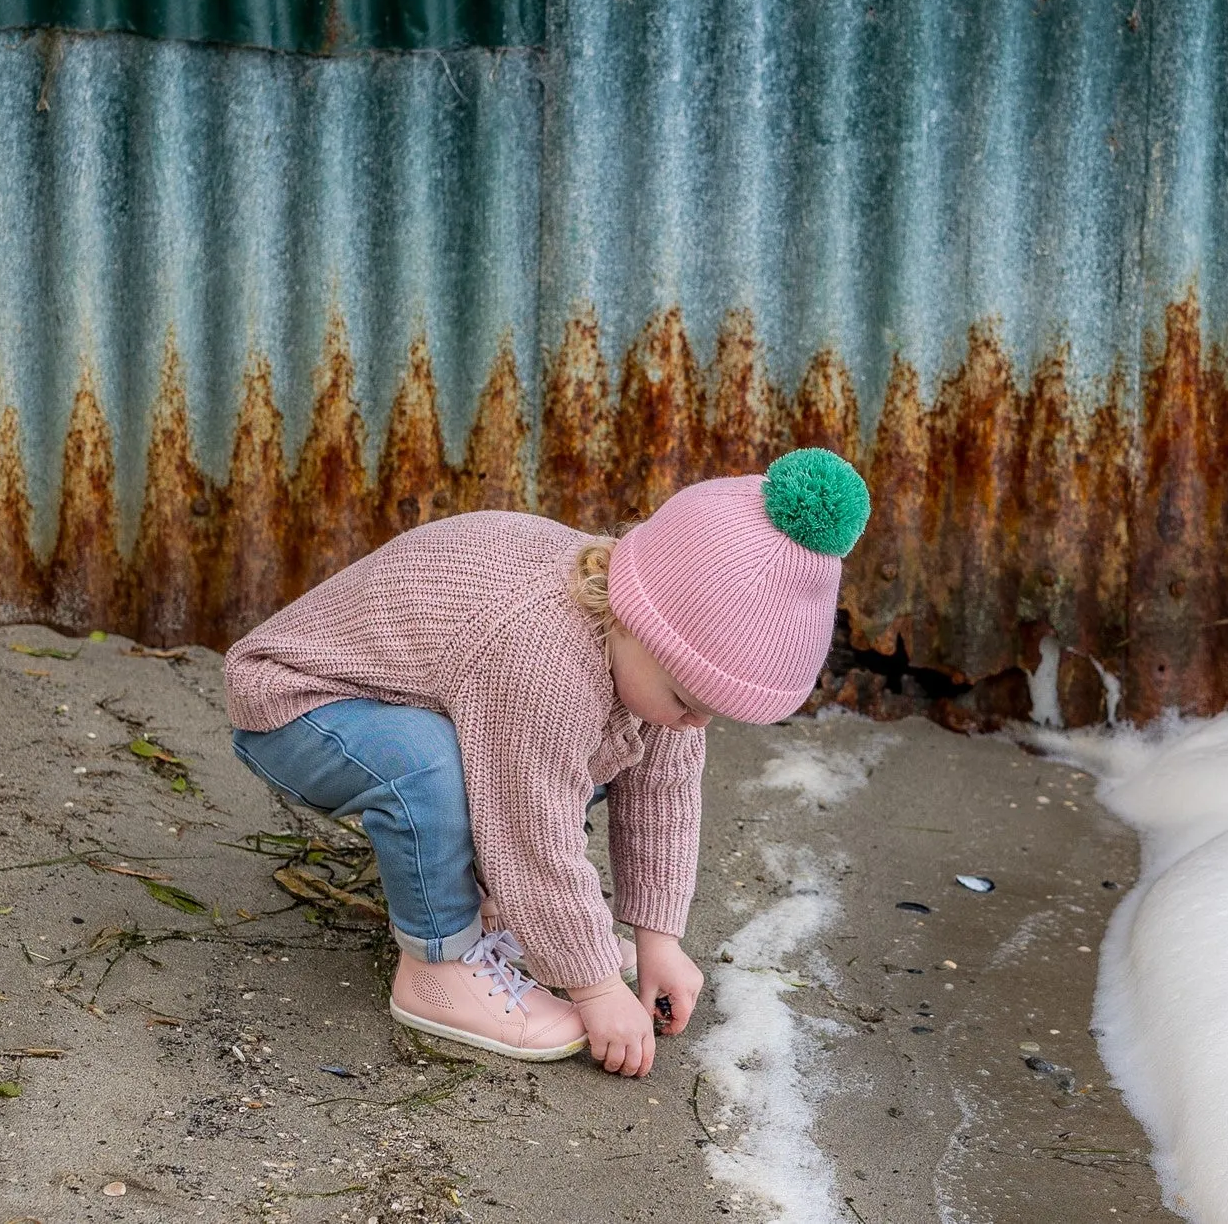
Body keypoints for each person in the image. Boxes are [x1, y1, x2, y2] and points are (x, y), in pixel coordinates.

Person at [223, 447, 870, 1077]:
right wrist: (593, 986)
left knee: (577, 756)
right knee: (431, 766)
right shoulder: (544, 658)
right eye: (685, 700)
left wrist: (657, 939)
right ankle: (438, 967)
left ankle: (489, 908)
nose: (695, 722)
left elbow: (663, 794)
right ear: (634, 615)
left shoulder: (654, 655)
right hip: (300, 703)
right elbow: (531, 827)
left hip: (425, 701)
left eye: (712, 709)